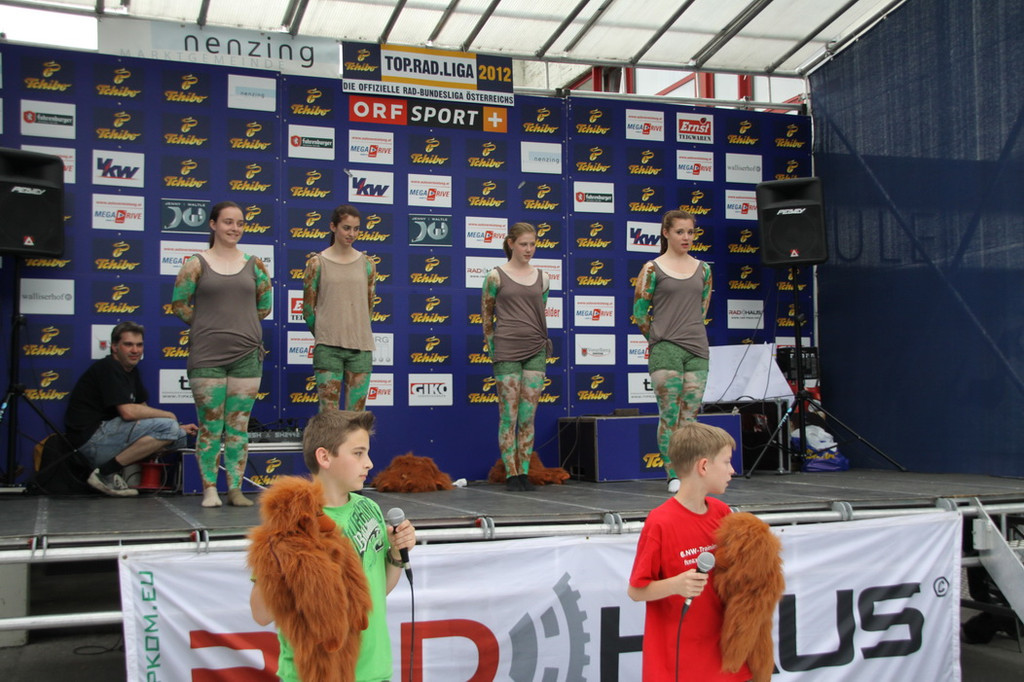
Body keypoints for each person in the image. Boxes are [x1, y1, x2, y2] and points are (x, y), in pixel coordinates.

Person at [249, 410, 416, 681]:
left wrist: (396, 555)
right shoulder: (292, 521)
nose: (369, 463)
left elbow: (376, 592)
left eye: (367, 453)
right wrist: (287, 555)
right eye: (358, 453)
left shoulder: (370, 508)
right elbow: (261, 614)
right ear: (324, 457)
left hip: (375, 671)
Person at [627, 420, 749, 682]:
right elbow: (636, 591)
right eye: (727, 462)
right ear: (703, 466)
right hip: (678, 663)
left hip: (724, 660)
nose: (732, 470)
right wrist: (675, 585)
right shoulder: (661, 522)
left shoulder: (722, 512)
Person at [171, 200, 272, 507]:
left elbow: (264, 306)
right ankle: (210, 490)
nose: (234, 228)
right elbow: (180, 305)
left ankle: (236, 489)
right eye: (228, 222)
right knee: (210, 426)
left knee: (238, 426)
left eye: (240, 223)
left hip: (247, 354)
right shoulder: (196, 263)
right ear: (213, 224)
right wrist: (208, 325)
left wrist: (240, 326)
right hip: (206, 356)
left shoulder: (255, 264)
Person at [64, 321, 197, 497]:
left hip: (108, 438)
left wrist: (178, 427)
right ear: (114, 347)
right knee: (169, 427)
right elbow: (128, 412)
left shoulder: (131, 371)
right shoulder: (108, 367)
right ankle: (105, 473)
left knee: (179, 436)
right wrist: (169, 416)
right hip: (90, 443)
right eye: (128, 344)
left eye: (139, 345)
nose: (135, 350)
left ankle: (111, 472)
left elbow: (142, 409)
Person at [632, 209, 713, 493]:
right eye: (680, 232)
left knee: (690, 417)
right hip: (666, 348)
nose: (686, 237)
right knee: (669, 414)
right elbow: (639, 312)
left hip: (697, 348)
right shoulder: (652, 268)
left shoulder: (704, 269)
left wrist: (690, 333)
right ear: (666, 233)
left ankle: (689, 473)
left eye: (690, 232)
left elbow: (702, 309)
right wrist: (658, 339)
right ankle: (672, 474)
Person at [481, 222, 550, 491]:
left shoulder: (543, 277)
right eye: (523, 244)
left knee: (528, 416)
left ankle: (524, 471)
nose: (528, 249)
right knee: (508, 415)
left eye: (532, 244)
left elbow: (539, 312)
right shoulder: (495, 277)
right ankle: (511, 473)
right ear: (511, 244)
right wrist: (493, 350)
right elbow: (487, 318)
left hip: (536, 350)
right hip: (506, 350)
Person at [302, 205, 377, 412]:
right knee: (328, 416)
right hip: (328, 349)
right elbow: (308, 309)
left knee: (356, 416)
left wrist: (357, 330)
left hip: (361, 349)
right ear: (333, 227)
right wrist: (325, 333)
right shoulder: (316, 263)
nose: (351, 234)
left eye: (356, 229)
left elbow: (369, 306)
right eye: (346, 228)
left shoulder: (368, 264)